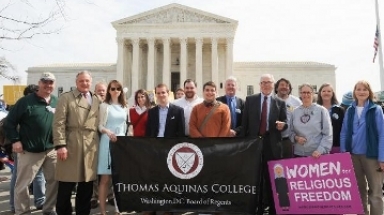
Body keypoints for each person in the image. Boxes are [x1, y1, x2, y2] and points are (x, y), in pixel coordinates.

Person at [4, 72, 59, 215]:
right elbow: (9, 123)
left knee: (54, 182)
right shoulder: (25, 101)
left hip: (51, 150)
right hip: (29, 150)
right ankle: (22, 211)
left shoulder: (55, 101)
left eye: (51, 82)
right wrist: (15, 140)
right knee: (22, 185)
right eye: (44, 82)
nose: (48, 85)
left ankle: (49, 209)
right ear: (39, 83)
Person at [53, 71, 101, 215]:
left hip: (90, 146)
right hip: (71, 144)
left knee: (86, 187)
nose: (85, 83)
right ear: (76, 82)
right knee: (65, 186)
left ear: (91, 82)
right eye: (81, 81)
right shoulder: (66, 98)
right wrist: (61, 145)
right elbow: (58, 123)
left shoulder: (96, 99)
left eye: (87, 81)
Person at [240, 74, 287, 215]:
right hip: (254, 144)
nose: (266, 85)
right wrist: (243, 145)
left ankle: (273, 210)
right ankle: (257, 209)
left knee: (272, 179)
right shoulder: (250, 100)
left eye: (269, 82)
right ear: (260, 84)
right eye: (263, 82)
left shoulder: (280, 102)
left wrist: (283, 126)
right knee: (256, 178)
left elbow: (285, 123)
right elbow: (244, 124)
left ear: (273, 85)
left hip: (272, 145)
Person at [340, 80, 384, 215]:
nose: (361, 92)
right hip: (353, 156)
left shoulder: (375, 110)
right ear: (354, 92)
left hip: (372, 156)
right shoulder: (350, 110)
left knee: (375, 192)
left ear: (369, 92)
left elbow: (382, 134)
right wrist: (344, 155)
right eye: (358, 89)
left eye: (364, 89)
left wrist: (382, 158)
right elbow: (344, 132)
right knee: (359, 191)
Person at [145, 84, 185, 215]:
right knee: (154, 178)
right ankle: (153, 206)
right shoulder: (151, 112)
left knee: (170, 179)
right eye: (159, 93)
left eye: (163, 92)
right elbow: (149, 132)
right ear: (156, 95)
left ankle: (168, 207)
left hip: (170, 149)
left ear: (168, 93)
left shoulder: (178, 111)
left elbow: (181, 133)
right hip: (155, 149)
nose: (161, 95)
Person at [9, 84, 47, 213]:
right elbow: (9, 125)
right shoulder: (23, 105)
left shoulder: (39, 105)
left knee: (38, 175)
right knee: (19, 178)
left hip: (39, 149)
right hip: (23, 149)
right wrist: (16, 141)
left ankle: (40, 200)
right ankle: (15, 206)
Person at [98, 80, 130, 215]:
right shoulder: (104, 106)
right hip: (107, 142)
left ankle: (118, 209)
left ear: (121, 91)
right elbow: (99, 126)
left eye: (118, 88)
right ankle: (103, 211)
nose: (115, 91)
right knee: (105, 179)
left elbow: (126, 126)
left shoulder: (125, 107)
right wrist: (108, 132)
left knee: (119, 178)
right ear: (109, 91)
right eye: (112, 88)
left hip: (121, 143)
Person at [290, 83, 333, 157]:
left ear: (313, 94)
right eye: (303, 92)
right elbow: (290, 132)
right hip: (299, 154)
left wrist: (320, 150)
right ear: (300, 94)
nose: (306, 95)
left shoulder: (321, 110)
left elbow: (328, 134)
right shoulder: (294, 112)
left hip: (317, 154)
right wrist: (296, 138)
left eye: (308, 92)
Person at [90, 81, 114, 209]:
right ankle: (94, 196)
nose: (101, 92)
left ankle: (109, 195)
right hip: (94, 139)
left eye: (103, 90)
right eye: (99, 90)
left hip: (108, 138)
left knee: (108, 168)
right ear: (95, 91)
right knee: (94, 168)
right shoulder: (91, 104)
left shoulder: (111, 104)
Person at [274, 78, 302, 158]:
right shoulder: (272, 100)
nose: (284, 87)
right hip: (275, 139)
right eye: (282, 85)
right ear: (276, 88)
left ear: (289, 89)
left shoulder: (296, 101)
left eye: (287, 86)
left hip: (290, 140)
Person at [317, 83, 344, 153]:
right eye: (324, 91)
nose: (326, 93)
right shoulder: (315, 109)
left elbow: (343, 129)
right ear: (320, 93)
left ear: (332, 94)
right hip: (318, 147)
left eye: (329, 91)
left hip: (336, 146)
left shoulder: (340, 110)